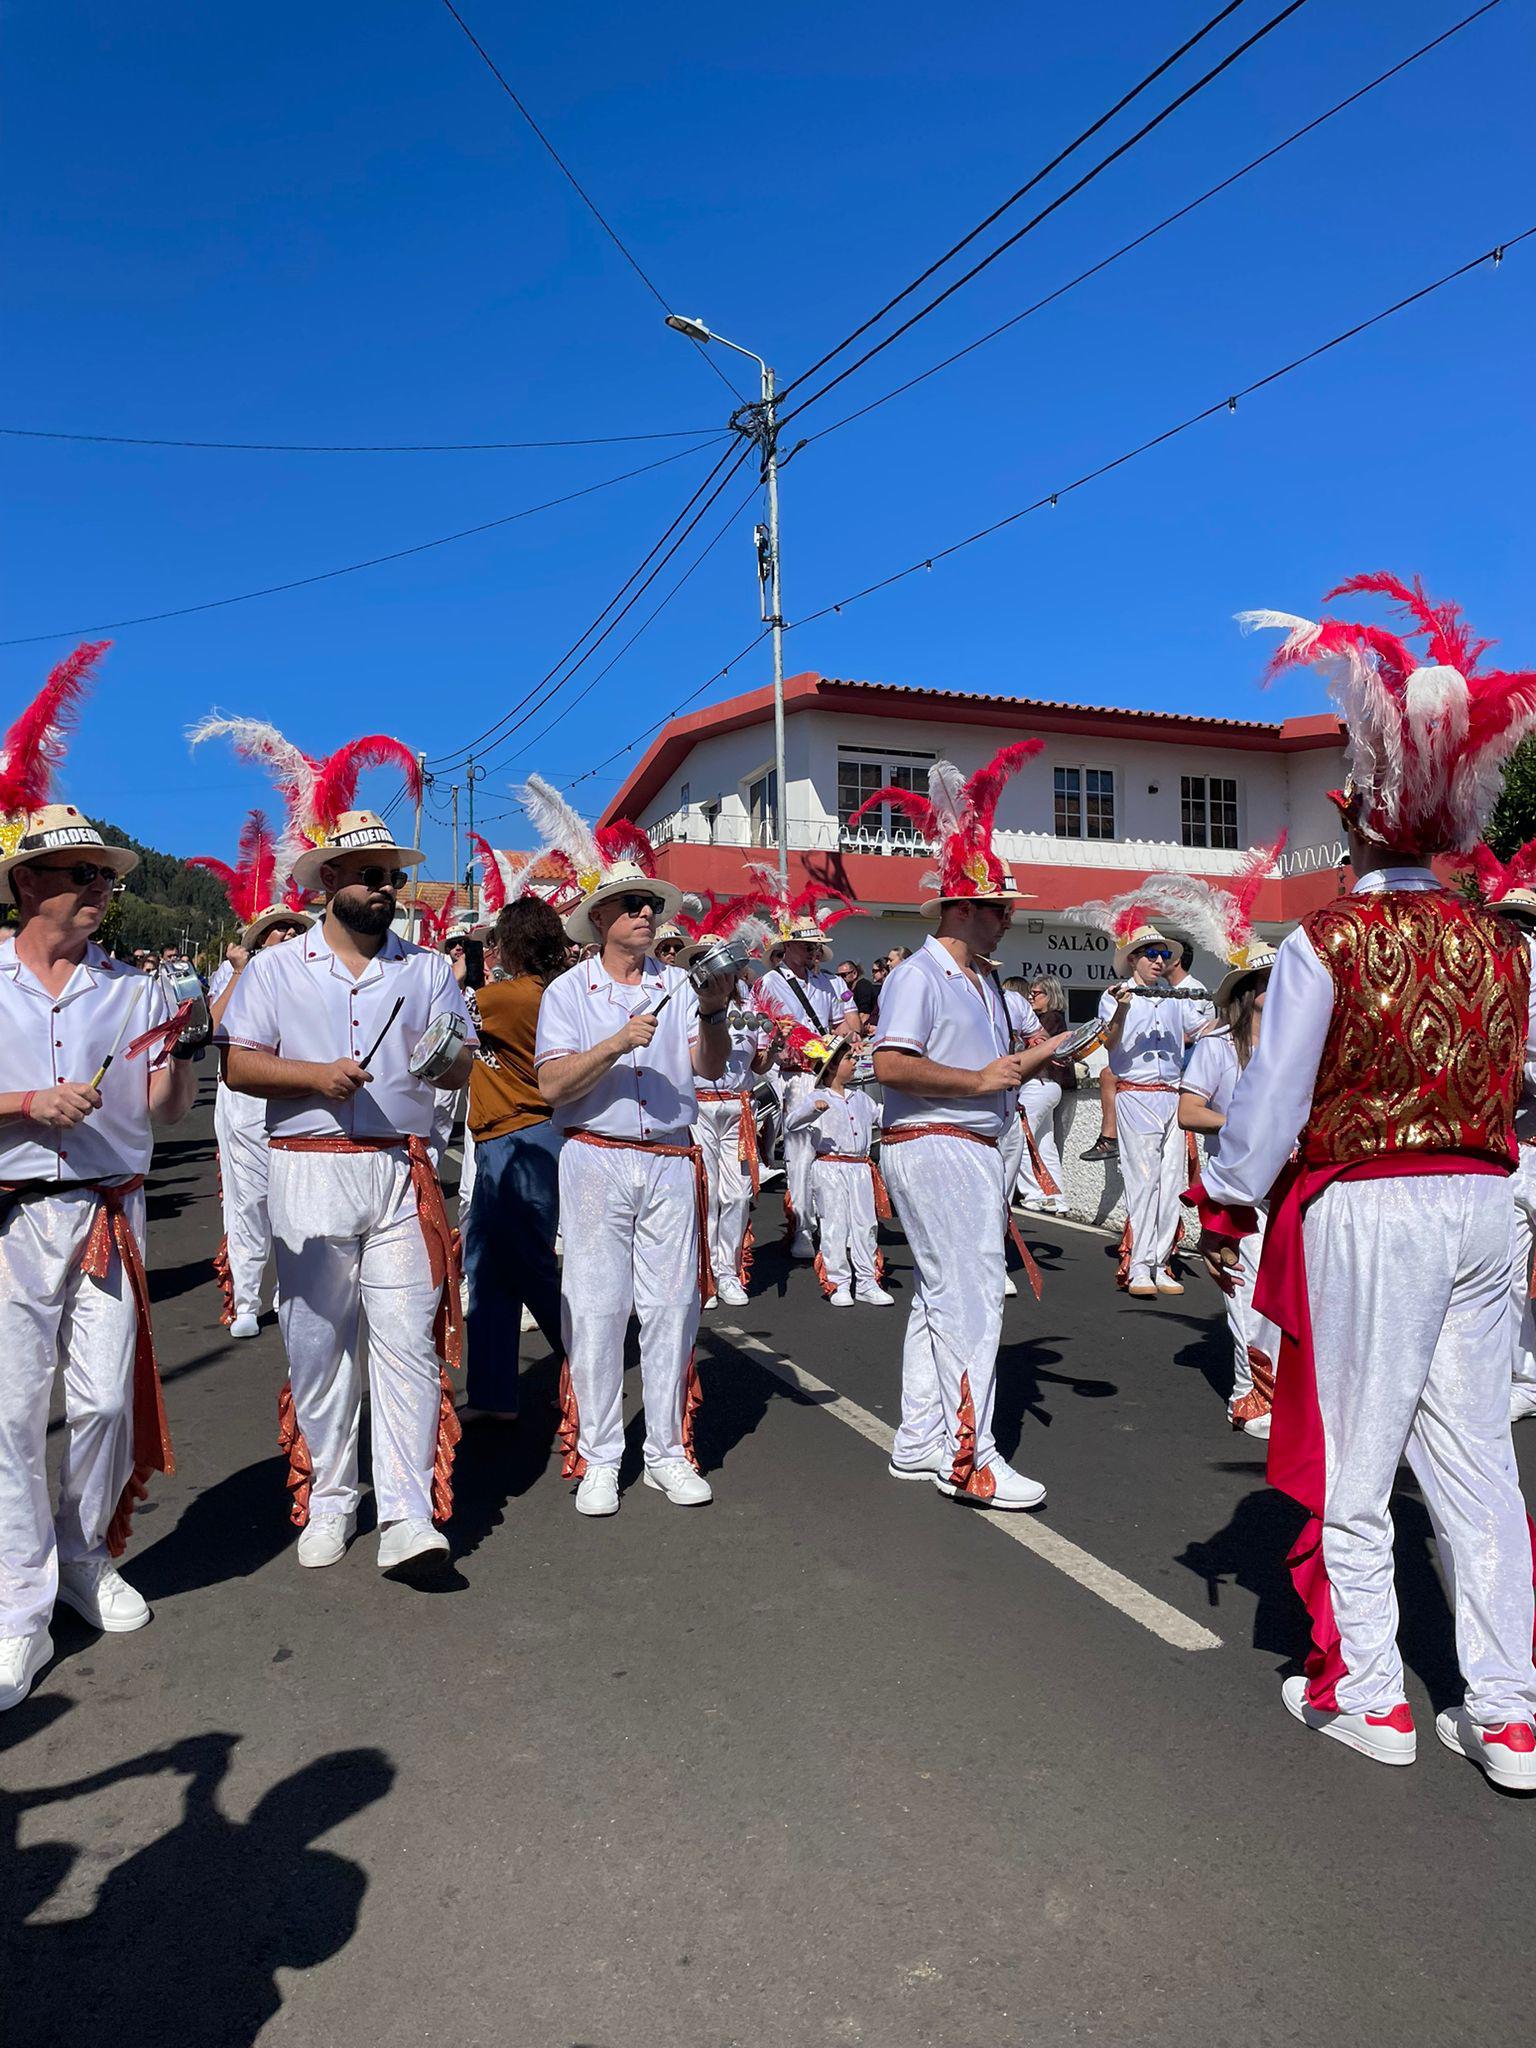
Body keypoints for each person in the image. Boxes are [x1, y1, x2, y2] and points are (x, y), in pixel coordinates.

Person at [1198, 573, 1536, 1790]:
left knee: (1358, 1454)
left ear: (1360, 821)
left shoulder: (1324, 940)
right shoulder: (1504, 942)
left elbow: (1269, 1109)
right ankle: (1508, 1714)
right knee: (1479, 1463)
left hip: (1373, 1203)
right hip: (1486, 1202)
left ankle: (1373, 1695)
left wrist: (1234, 1191)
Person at [0, 644, 203, 1711]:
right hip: (11, 1221)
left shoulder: (133, 993)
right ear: (29, 884)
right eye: (80, 877)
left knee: (101, 1407)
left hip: (106, 1218)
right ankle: (18, 1607)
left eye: (101, 879)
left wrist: (179, 1072)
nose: (96, 894)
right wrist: (26, 1106)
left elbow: (166, 1116)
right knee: (10, 1411)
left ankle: (84, 1560)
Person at [220, 777, 476, 1582]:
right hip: (308, 1168)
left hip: (402, 1170)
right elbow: (237, 1064)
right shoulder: (277, 969)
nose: (387, 888)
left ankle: (406, 1511)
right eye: (372, 874)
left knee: (407, 1344)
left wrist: (449, 1061)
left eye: (394, 876)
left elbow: (461, 1055)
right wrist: (311, 1078)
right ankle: (334, 1495)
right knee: (318, 1343)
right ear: (329, 880)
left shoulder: (429, 970)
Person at [861, 743, 1072, 1508]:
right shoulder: (919, 975)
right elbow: (889, 1063)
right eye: (997, 909)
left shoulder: (981, 981)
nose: (1007, 921)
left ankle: (921, 1440)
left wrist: (1045, 1054)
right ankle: (970, 1455)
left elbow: (995, 1062)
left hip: (965, 1144)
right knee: (973, 1298)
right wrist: (983, 1078)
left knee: (941, 1296)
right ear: (960, 909)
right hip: (937, 1143)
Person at [528, 785, 736, 1518]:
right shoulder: (568, 992)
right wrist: (615, 1043)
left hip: (672, 1157)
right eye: (634, 905)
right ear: (602, 920)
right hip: (595, 1153)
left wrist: (713, 1013)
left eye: (651, 905)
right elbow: (552, 1085)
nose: (649, 914)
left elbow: (709, 1067)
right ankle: (600, 1454)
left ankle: (669, 1453)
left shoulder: (681, 985)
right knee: (595, 1306)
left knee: (674, 1306)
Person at [189, 810, 314, 1338]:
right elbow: (214, 1031)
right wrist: (241, 971)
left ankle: (290, 1292)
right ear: (258, 937)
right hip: (241, 1103)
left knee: (293, 1202)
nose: (285, 932)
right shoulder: (234, 972)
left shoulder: (310, 975)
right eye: (275, 928)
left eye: (291, 926)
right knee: (246, 1203)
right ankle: (245, 1299)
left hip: (292, 1101)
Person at [461, 894, 570, 1421]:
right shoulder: (551, 992)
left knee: (526, 1265)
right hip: (516, 1137)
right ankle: (493, 1395)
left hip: (518, 1138)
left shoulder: (506, 998)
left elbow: (446, 1016)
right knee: (488, 1267)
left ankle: (583, 1363)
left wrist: (463, 969)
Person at [1180, 950, 1278, 1434]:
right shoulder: (1217, 1046)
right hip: (1238, 1193)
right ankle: (1252, 1396)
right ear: (1248, 993)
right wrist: (1247, 1125)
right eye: (1269, 981)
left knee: (1297, 1299)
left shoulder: (1297, 1045)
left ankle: (1288, 1395)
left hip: (1292, 1188)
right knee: (1248, 1299)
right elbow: (1189, 1112)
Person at [756, 889, 861, 1259]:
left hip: (828, 1074)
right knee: (799, 1155)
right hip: (795, 1076)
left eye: (817, 946)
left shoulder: (828, 982)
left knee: (833, 1150)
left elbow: (847, 1025)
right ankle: (802, 1227)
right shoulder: (770, 983)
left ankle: (834, 1224)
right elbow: (772, 1029)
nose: (814, 952)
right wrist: (813, 1045)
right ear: (787, 947)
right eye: (807, 946)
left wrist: (838, 1040)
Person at [784, 1032, 893, 1307]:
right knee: (834, 1224)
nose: (855, 1062)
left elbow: (884, 1117)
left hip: (859, 1168)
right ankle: (839, 1282)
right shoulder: (817, 1097)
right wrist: (812, 1112)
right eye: (848, 1058)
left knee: (865, 1224)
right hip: (830, 1167)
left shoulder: (861, 1099)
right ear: (832, 1066)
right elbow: (792, 1123)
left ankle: (867, 1281)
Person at [1014, 974, 1072, 1214]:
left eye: (1035, 993)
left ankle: (1034, 1193)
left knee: (1019, 1137)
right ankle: (1055, 1196)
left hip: (1038, 1084)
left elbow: (1034, 1050)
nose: (1030, 997)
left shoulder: (1048, 1021)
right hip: (1051, 1087)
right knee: (1044, 1143)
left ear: (1050, 995)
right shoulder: (1056, 1020)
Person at [837, 958, 878, 1030]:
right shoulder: (847, 990)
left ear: (854, 973)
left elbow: (865, 1013)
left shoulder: (863, 985)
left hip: (869, 1028)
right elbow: (838, 1002)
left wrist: (857, 1032)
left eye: (843, 975)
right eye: (838, 975)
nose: (840, 978)